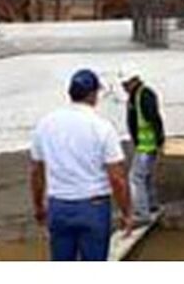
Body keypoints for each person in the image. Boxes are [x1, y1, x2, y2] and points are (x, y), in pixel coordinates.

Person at [29, 68, 132, 261]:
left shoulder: (45, 124)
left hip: (59, 206)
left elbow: (36, 171)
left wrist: (38, 206)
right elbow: (117, 178)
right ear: (94, 95)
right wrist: (126, 212)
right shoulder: (102, 127)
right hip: (93, 207)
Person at [121, 64, 165, 225]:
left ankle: (142, 214)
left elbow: (155, 119)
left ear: (133, 81)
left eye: (125, 85)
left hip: (147, 145)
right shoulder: (136, 95)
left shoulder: (144, 95)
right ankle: (152, 207)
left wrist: (159, 141)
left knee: (136, 177)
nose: (123, 88)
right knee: (145, 176)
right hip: (145, 144)